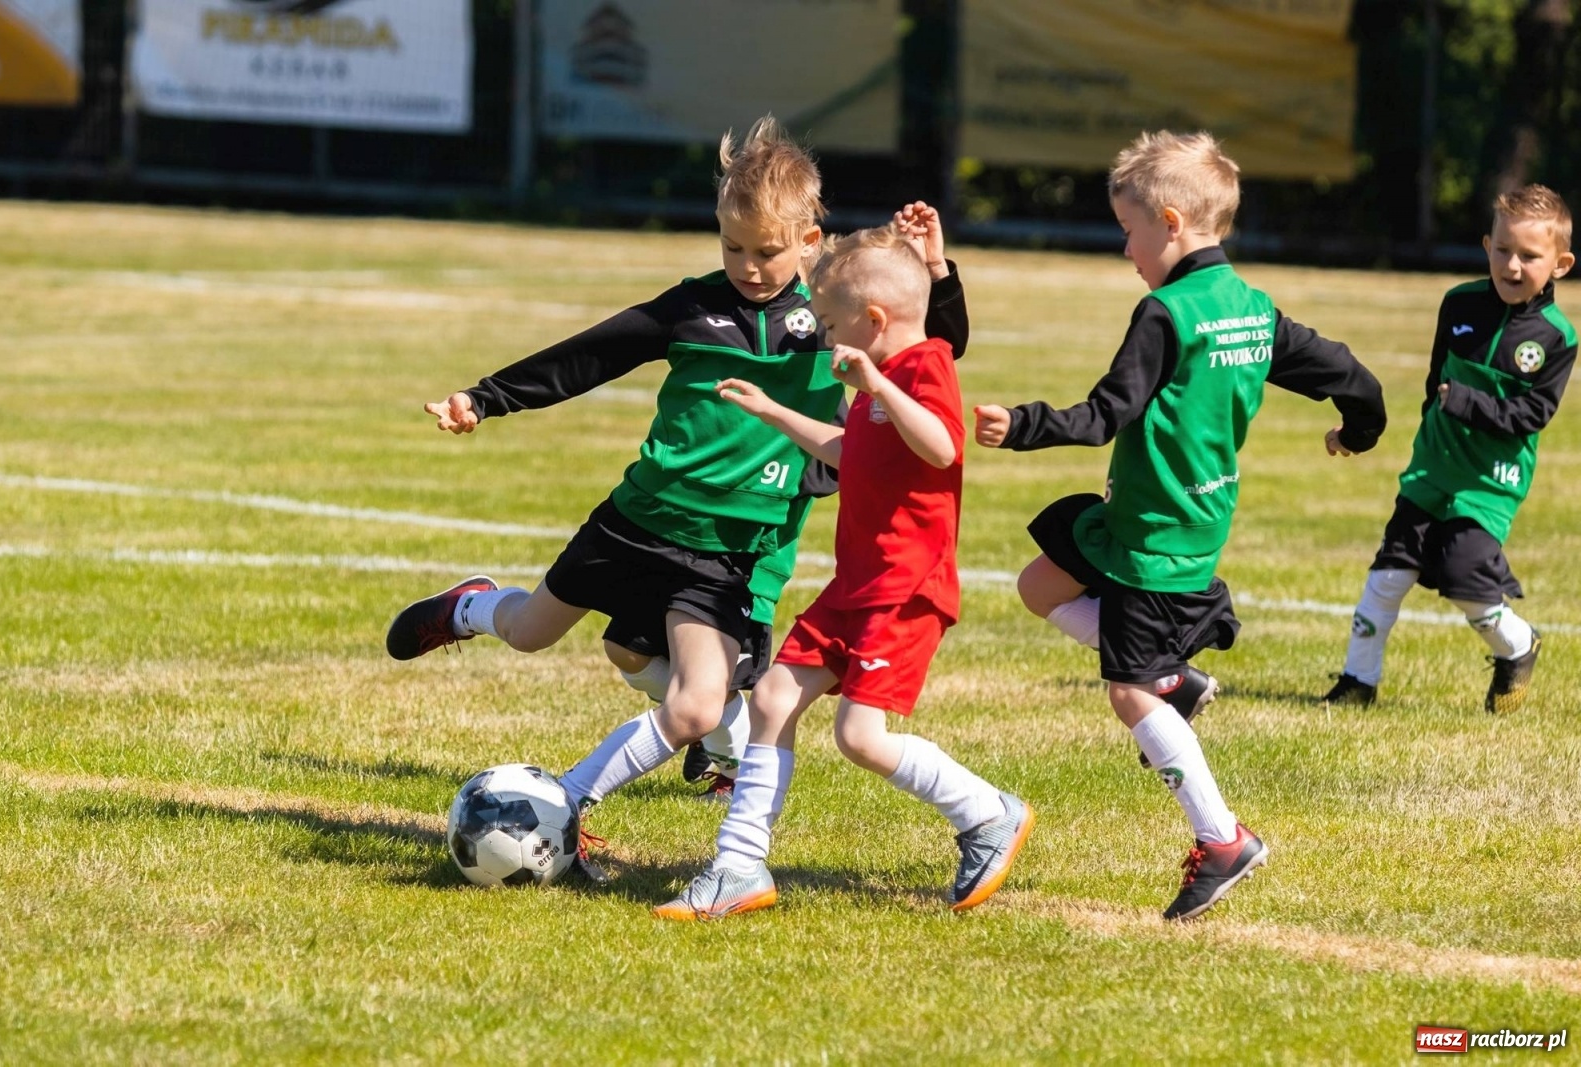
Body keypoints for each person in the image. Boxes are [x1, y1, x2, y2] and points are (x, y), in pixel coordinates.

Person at [383, 116, 966, 874]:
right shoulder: (692, 308)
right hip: (637, 518)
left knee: (688, 697)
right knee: (531, 630)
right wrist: (487, 397)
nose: (748, 267)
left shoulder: (829, 319)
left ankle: (575, 804)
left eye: (766, 251)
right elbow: (591, 355)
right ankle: (470, 605)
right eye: (732, 248)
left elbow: (929, 354)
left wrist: (940, 272)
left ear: (811, 242)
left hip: (730, 550)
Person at [973, 130, 1387, 920]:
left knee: (1127, 694)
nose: (1126, 249)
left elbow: (1105, 415)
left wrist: (1022, 424)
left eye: (1129, 230)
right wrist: (1358, 429)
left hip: (1157, 540)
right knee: (1040, 583)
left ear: (1169, 222)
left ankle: (1222, 835)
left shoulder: (1165, 313)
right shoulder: (1250, 309)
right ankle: (1174, 677)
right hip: (1159, 518)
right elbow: (1349, 373)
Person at [654, 225, 1033, 921]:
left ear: (875, 321)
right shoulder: (874, 383)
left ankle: (989, 814)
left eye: (830, 325)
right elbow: (851, 447)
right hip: (855, 584)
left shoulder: (924, 364)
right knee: (771, 699)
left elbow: (944, 446)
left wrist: (878, 380)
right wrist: (773, 413)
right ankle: (739, 867)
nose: (825, 339)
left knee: (860, 737)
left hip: (904, 590)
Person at [1324, 184, 1575, 715]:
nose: (1512, 265)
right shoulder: (1458, 303)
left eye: (1530, 256)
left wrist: (1465, 403)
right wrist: (1430, 426)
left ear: (1560, 263)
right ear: (1487, 245)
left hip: (1489, 485)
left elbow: (1532, 416)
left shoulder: (1557, 337)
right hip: (1431, 472)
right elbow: (1435, 378)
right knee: (1387, 577)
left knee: (1469, 585)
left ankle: (1518, 645)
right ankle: (1357, 682)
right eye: (1503, 249)